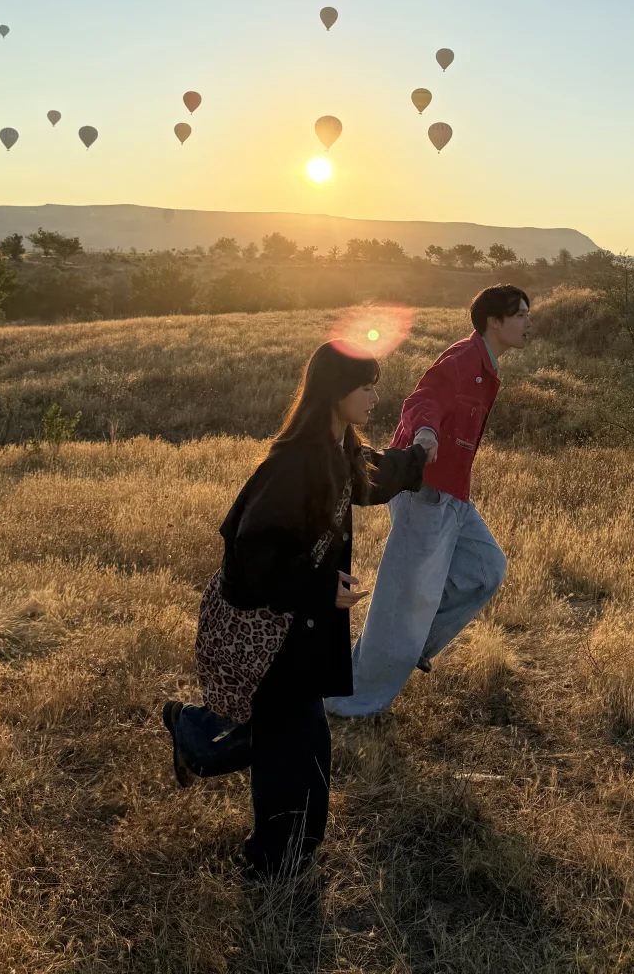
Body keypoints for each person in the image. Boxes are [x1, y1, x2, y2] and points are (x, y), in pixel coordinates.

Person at [161, 342, 428, 880]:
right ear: (336, 392)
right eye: (367, 386)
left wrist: (417, 459)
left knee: (287, 738)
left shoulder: (337, 449)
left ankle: (193, 734)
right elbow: (251, 552)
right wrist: (319, 586)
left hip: (294, 628)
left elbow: (372, 478)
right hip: (266, 630)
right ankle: (272, 866)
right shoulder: (294, 464)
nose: (376, 395)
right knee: (297, 749)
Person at [325, 285, 531, 719]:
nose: (528, 323)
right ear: (494, 321)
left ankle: (412, 643)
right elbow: (423, 399)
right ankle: (348, 704)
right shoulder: (462, 359)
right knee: (401, 602)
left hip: (453, 494)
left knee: (486, 569)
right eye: (521, 315)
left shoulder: (488, 368)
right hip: (425, 493)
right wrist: (426, 433)